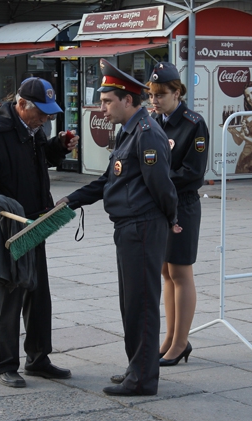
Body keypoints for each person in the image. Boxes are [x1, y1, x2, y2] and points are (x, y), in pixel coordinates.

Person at [57, 59, 179, 397]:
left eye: (107, 101)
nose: (102, 108)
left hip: (142, 226)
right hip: (129, 227)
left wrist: (171, 219)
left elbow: (162, 186)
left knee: (141, 304)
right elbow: (108, 181)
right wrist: (71, 200)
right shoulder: (129, 131)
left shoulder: (146, 132)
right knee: (131, 303)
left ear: (128, 100)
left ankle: (142, 379)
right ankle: (136, 369)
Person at [0, 77, 78, 388]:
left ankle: (38, 359)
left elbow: (34, 162)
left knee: (38, 294)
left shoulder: (33, 129)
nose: (46, 118)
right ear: (21, 105)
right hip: (7, 228)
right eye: (41, 112)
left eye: (49, 113)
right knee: (7, 296)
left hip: (35, 223)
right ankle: (5, 364)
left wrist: (57, 147)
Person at [146, 62, 209, 367]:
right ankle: (170, 337)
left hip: (182, 203)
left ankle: (181, 342)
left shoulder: (193, 123)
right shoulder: (153, 121)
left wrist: (158, 181)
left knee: (181, 273)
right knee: (166, 272)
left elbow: (193, 172)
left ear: (177, 93)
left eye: (161, 94)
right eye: (152, 94)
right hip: (160, 204)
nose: (155, 100)